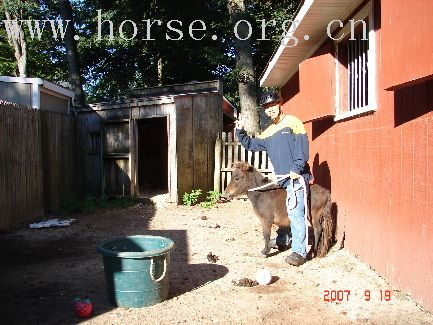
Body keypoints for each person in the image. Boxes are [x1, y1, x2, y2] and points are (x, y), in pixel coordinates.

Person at [235, 91, 312, 266]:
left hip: (295, 178)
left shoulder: (293, 122)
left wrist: (297, 168)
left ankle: (300, 252)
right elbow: (251, 145)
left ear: (280, 104)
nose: (270, 110)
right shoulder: (269, 132)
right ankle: (284, 241)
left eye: (272, 106)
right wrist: (240, 132)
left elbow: (302, 148)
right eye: (267, 108)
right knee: (283, 212)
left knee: (295, 214)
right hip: (282, 180)